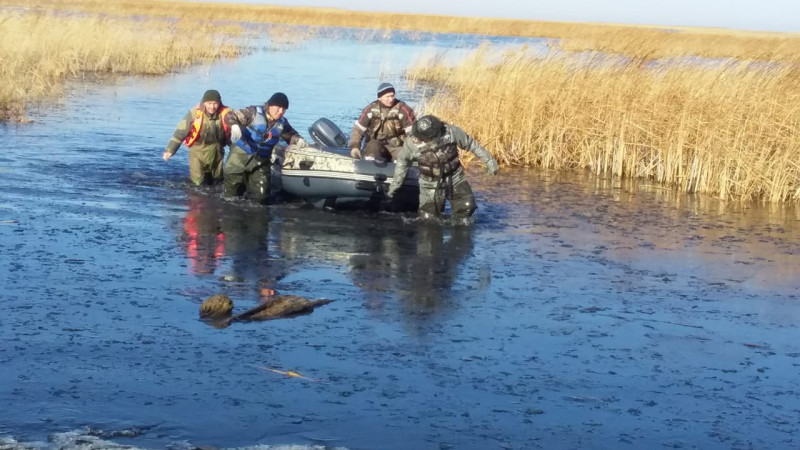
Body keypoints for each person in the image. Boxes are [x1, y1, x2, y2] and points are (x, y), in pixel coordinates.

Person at [387, 114, 499, 220]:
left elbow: (471, 144)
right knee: (429, 218)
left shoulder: (451, 132)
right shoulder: (411, 143)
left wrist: (489, 161)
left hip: (455, 177)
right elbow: (403, 163)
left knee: (467, 208)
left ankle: (461, 234)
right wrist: (396, 185)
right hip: (429, 184)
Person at [223, 92, 307, 204]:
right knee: (231, 194)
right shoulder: (252, 112)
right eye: (278, 107)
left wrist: (299, 140)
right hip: (240, 155)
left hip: (262, 160)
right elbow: (230, 116)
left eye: (284, 109)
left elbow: (291, 135)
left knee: (261, 197)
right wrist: (234, 125)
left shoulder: (282, 123)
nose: (280, 111)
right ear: (270, 105)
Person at [163, 89, 231, 185]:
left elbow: (237, 133)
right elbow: (180, 132)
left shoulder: (227, 114)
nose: (212, 107)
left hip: (217, 153)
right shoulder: (194, 114)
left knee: (218, 182)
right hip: (197, 152)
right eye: (209, 103)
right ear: (204, 103)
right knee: (197, 183)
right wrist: (170, 150)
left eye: (215, 103)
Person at [349, 82, 416, 162]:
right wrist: (355, 147)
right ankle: (370, 166)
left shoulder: (403, 109)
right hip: (376, 146)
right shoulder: (370, 110)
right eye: (387, 97)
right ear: (380, 97)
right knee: (373, 145)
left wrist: (414, 150)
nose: (391, 99)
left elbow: (413, 132)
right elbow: (358, 130)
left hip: (396, 147)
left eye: (392, 96)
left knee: (402, 154)